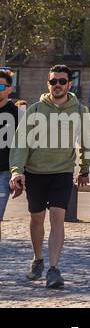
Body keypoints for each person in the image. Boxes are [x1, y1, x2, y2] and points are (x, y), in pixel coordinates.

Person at [8, 65, 90, 288]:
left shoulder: (80, 111)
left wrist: (84, 168)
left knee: (57, 218)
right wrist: (17, 171)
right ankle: (38, 258)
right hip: (35, 173)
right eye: (53, 81)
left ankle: (54, 269)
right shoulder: (34, 110)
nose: (57, 85)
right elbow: (20, 144)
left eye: (62, 81)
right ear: (48, 84)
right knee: (37, 219)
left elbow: (85, 141)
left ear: (69, 84)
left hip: (62, 172)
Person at [0, 68, 19, 240]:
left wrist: (19, 174)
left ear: (9, 89)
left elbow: (22, 147)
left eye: (1, 86)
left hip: (4, 173)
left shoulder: (17, 113)